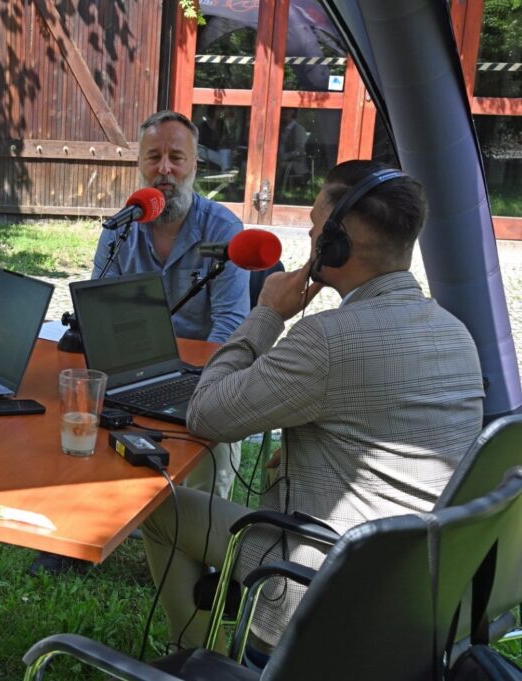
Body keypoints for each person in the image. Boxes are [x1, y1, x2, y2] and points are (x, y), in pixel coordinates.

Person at [141, 160, 485, 661]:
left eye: (315, 228)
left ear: (335, 245)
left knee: (163, 509)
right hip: (420, 589)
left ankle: (194, 660)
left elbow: (206, 413)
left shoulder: (326, 341)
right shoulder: (456, 333)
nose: (309, 235)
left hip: (322, 580)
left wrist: (267, 315)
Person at [30, 110, 250, 575]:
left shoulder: (223, 230)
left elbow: (231, 321)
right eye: (154, 157)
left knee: (215, 435)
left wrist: (200, 383)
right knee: (77, 402)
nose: (164, 169)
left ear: (194, 165)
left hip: (203, 369)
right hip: (131, 363)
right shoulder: (120, 228)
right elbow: (99, 305)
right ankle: (79, 532)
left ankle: (203, 547)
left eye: (176, 157)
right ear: (139, 164)